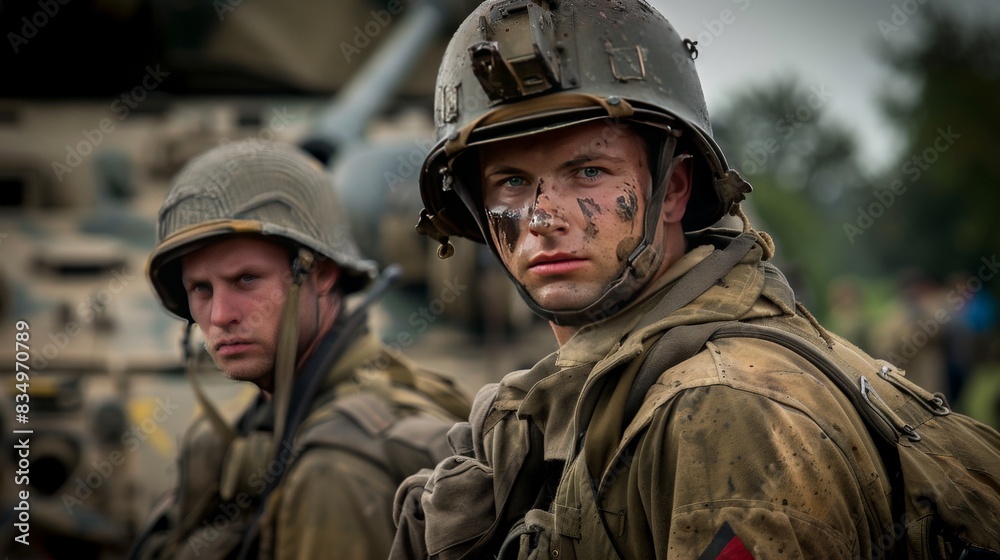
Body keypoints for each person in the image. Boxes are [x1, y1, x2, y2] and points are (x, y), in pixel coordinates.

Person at [390, 1, 904, 558]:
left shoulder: (724, 413)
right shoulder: (558, 401)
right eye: (511, 182)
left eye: (588, 171)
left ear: (674, 188)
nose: (542, 217)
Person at [128, 139, 470, 560]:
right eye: (201, 288)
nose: (220, 315)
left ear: (322, 274)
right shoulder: (266, 421)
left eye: (246, 279)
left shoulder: (337, 468)